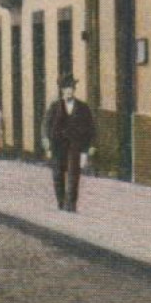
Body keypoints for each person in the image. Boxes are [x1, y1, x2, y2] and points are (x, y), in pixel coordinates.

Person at [43, 75, 95, 211]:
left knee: (73, 173)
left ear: (74, 90)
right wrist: (47, 145)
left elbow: (90, 128)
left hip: (75, 145)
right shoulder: (55, 107)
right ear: (62, 91)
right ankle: (60, 201)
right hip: (57, 145)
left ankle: (71, 204)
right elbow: (46, 126)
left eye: (71, 89)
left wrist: (88, 149)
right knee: (58, 174)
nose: (69, 92)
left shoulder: (83, 107)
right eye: (66, 89)